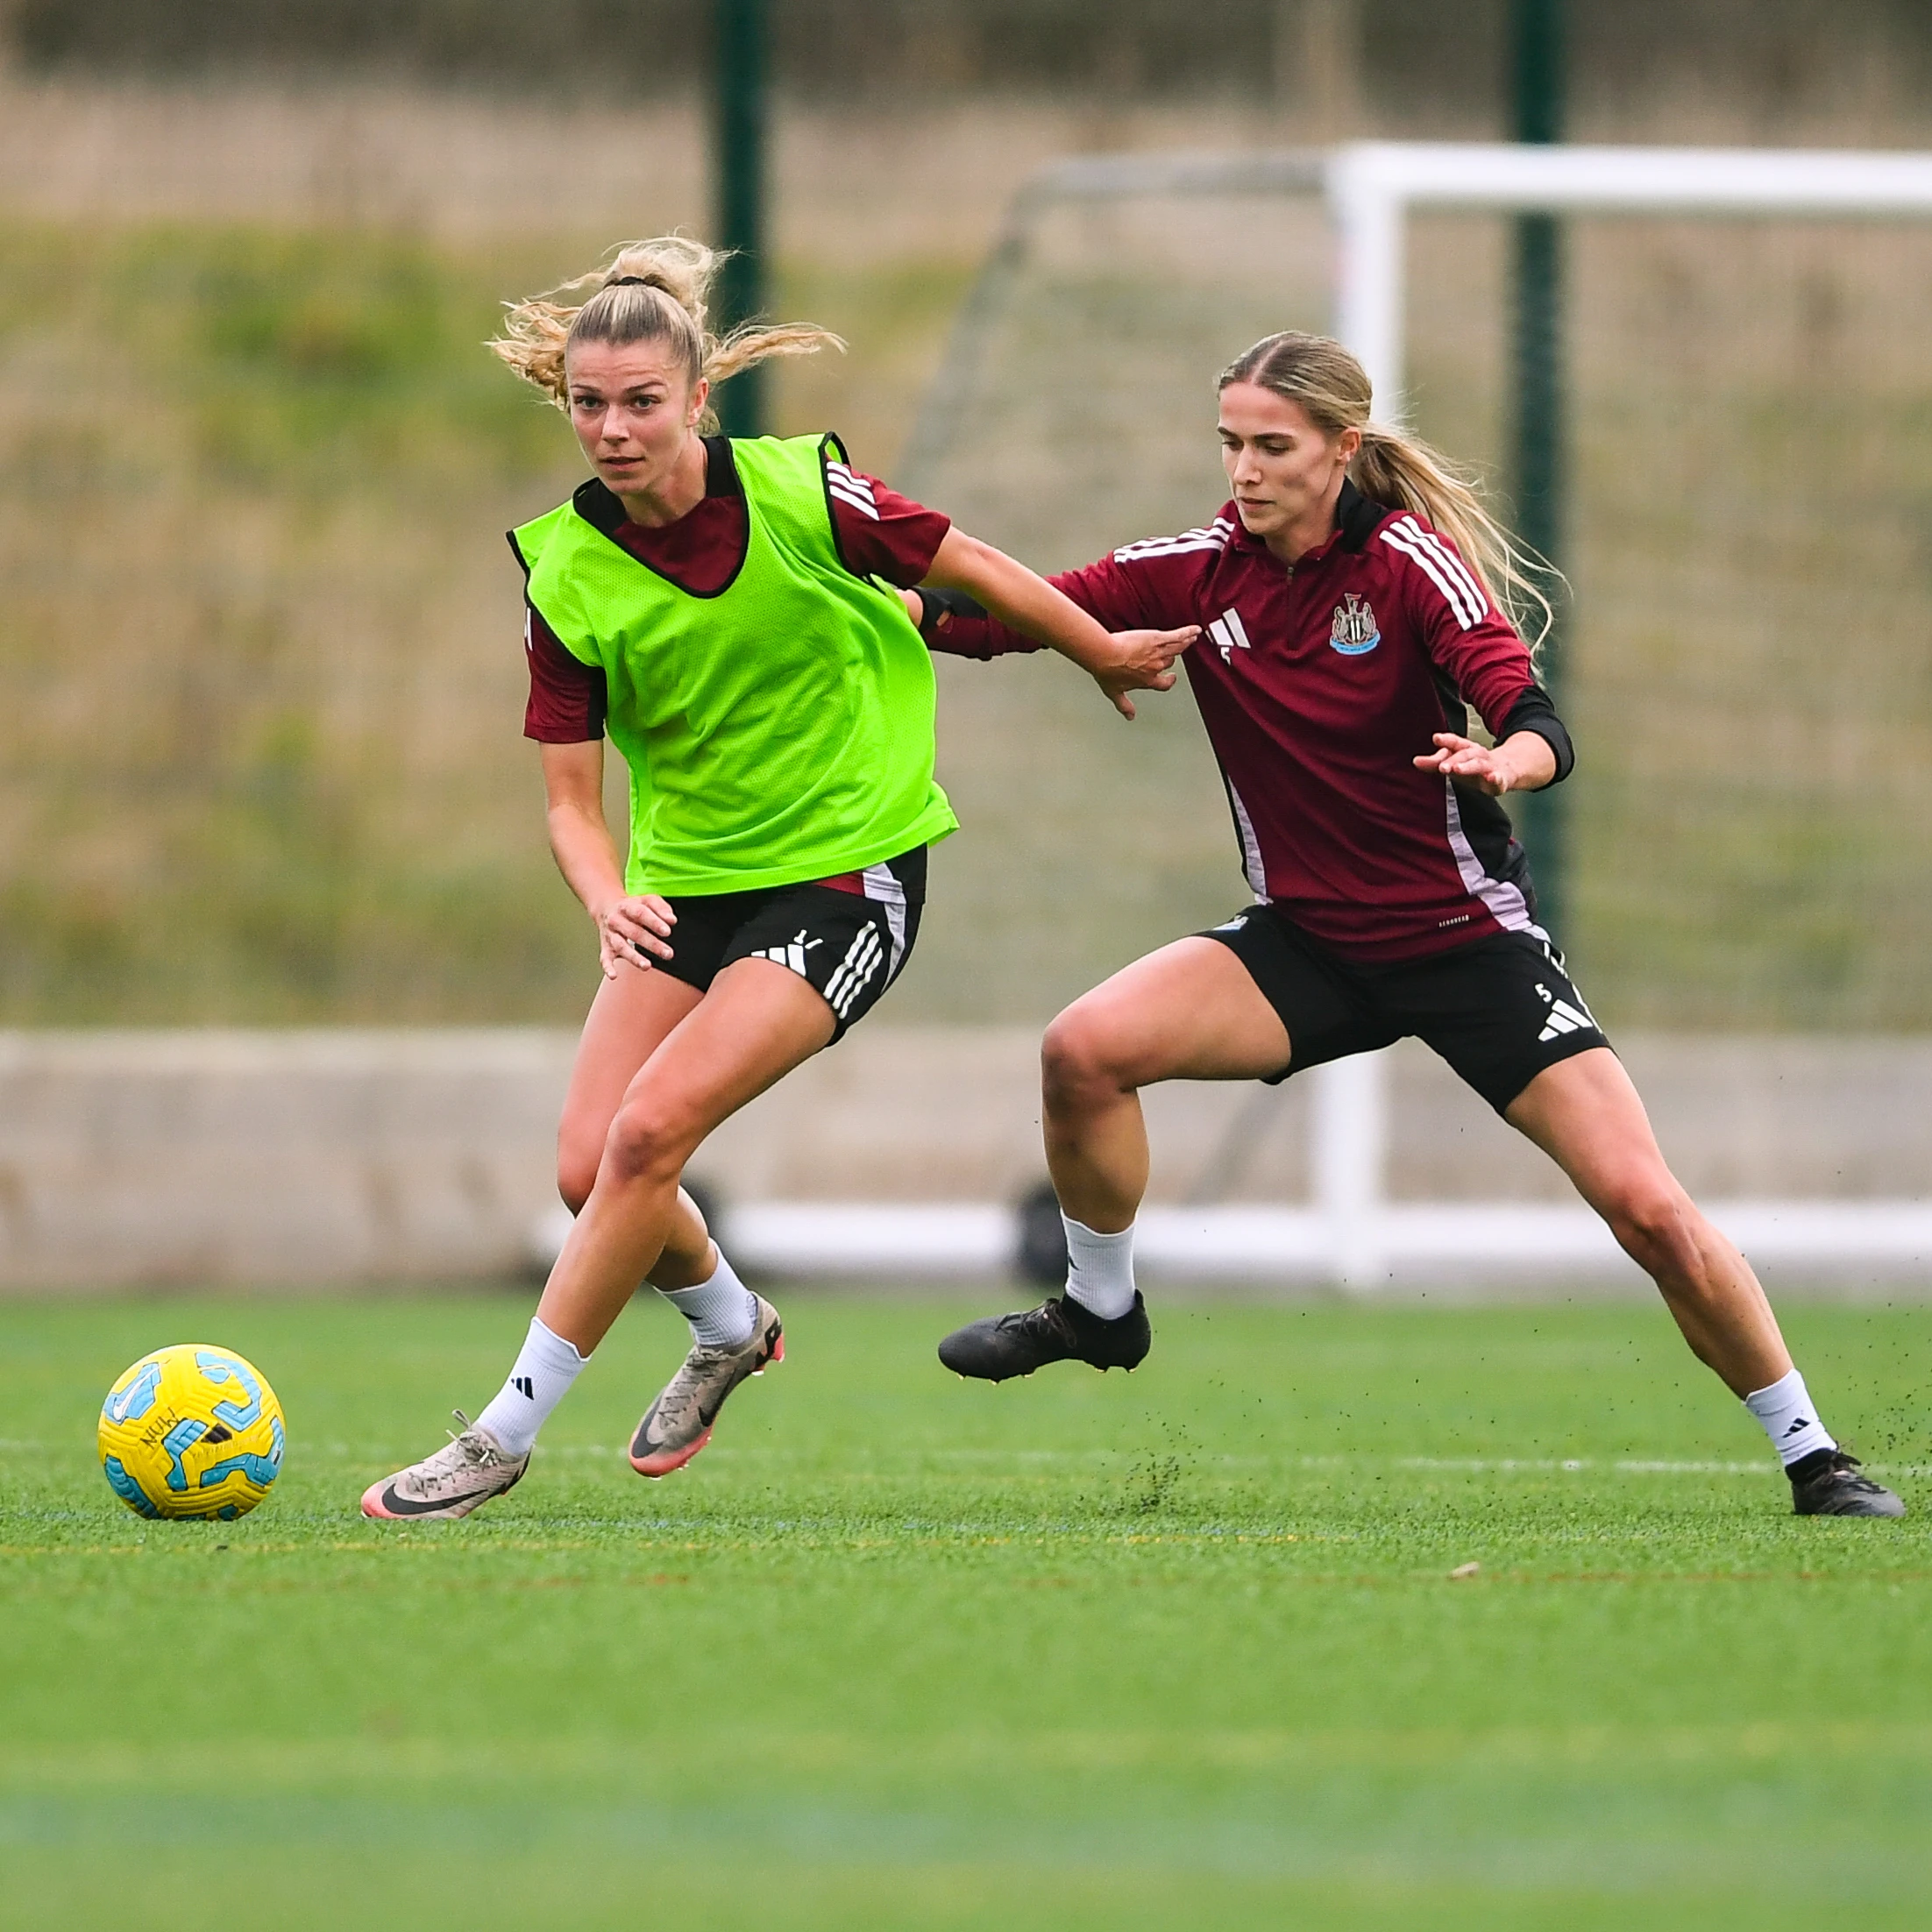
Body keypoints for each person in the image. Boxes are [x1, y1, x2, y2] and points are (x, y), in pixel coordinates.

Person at [927, 330, 1904, 1520]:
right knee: (1083, 1051)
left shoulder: (1407, 565)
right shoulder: (1197, 570)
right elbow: (1000, 616)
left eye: (1273, 446)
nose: (1244, 469)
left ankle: (1816, 1458)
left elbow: (1529, 708)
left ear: (1342, 448)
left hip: (1465, 943)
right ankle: (1099, 1309)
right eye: (1230, 443)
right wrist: (878, 596)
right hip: (1307, 945)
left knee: (1646, 1207)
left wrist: (1508, 761)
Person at [361, 238, 1191, 1521]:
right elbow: (571, 805)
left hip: (846, 875)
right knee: (591, 1170)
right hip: (687, 889)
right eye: (590, 404)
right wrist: (606, 898)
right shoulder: (563, 572)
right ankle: (730, 1324)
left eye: (643, 402)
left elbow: (971, 565)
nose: (614, 429)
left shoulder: (806, 493)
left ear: (700, 400)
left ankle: (498, 1438)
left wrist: (1096, 652)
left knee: (649, 1136)